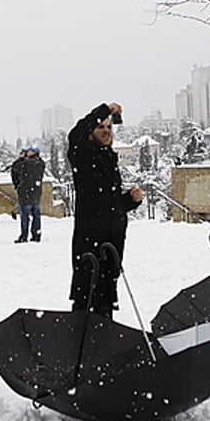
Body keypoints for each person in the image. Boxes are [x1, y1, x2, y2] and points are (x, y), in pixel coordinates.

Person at [67, 102, 143, 317]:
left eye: (109, 127)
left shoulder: (109, 157)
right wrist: (104, 111)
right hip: (90, 239)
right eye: (101, 127)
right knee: (85, 295)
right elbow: (75, 135)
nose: (106, 131)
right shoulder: (82, 154)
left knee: (106, 298)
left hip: (112, 241)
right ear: (92, 131)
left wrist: (129, 200)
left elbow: (109, 202)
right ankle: (80, 342)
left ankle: (104, 341)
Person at [13, 147, 45, 244]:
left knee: (25, 216)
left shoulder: (25, 163)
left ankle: (24, 236)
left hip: (25, 193)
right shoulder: (40, 163)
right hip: (36, 192)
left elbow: (15, 168)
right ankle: (36, 235)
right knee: (36, 216)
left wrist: (21, 158)